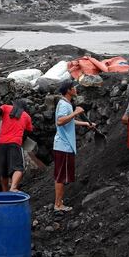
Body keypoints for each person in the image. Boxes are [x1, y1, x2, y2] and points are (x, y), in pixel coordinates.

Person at [53, 80, 95, 212]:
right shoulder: (65, 105)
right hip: (64, 146)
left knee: (60, 175)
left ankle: (59, 202)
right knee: (60, 176)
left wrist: (85, 124)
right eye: (74, 88)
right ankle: (58, 205)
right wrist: (76, 112)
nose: (76, 89)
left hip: (63, 145)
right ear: (69, 90)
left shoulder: (65, 104)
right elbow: (60, 121)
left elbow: (68, 121)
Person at [0, 98, 34, 192]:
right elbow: (28, 131)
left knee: (3, 171)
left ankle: (5, 192)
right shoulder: (27, 116)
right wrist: (21, 139)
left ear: (14, 104)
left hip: (2, 143)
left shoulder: (6, 108)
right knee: (19, 168)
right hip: (15, 143)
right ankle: (13, 187)